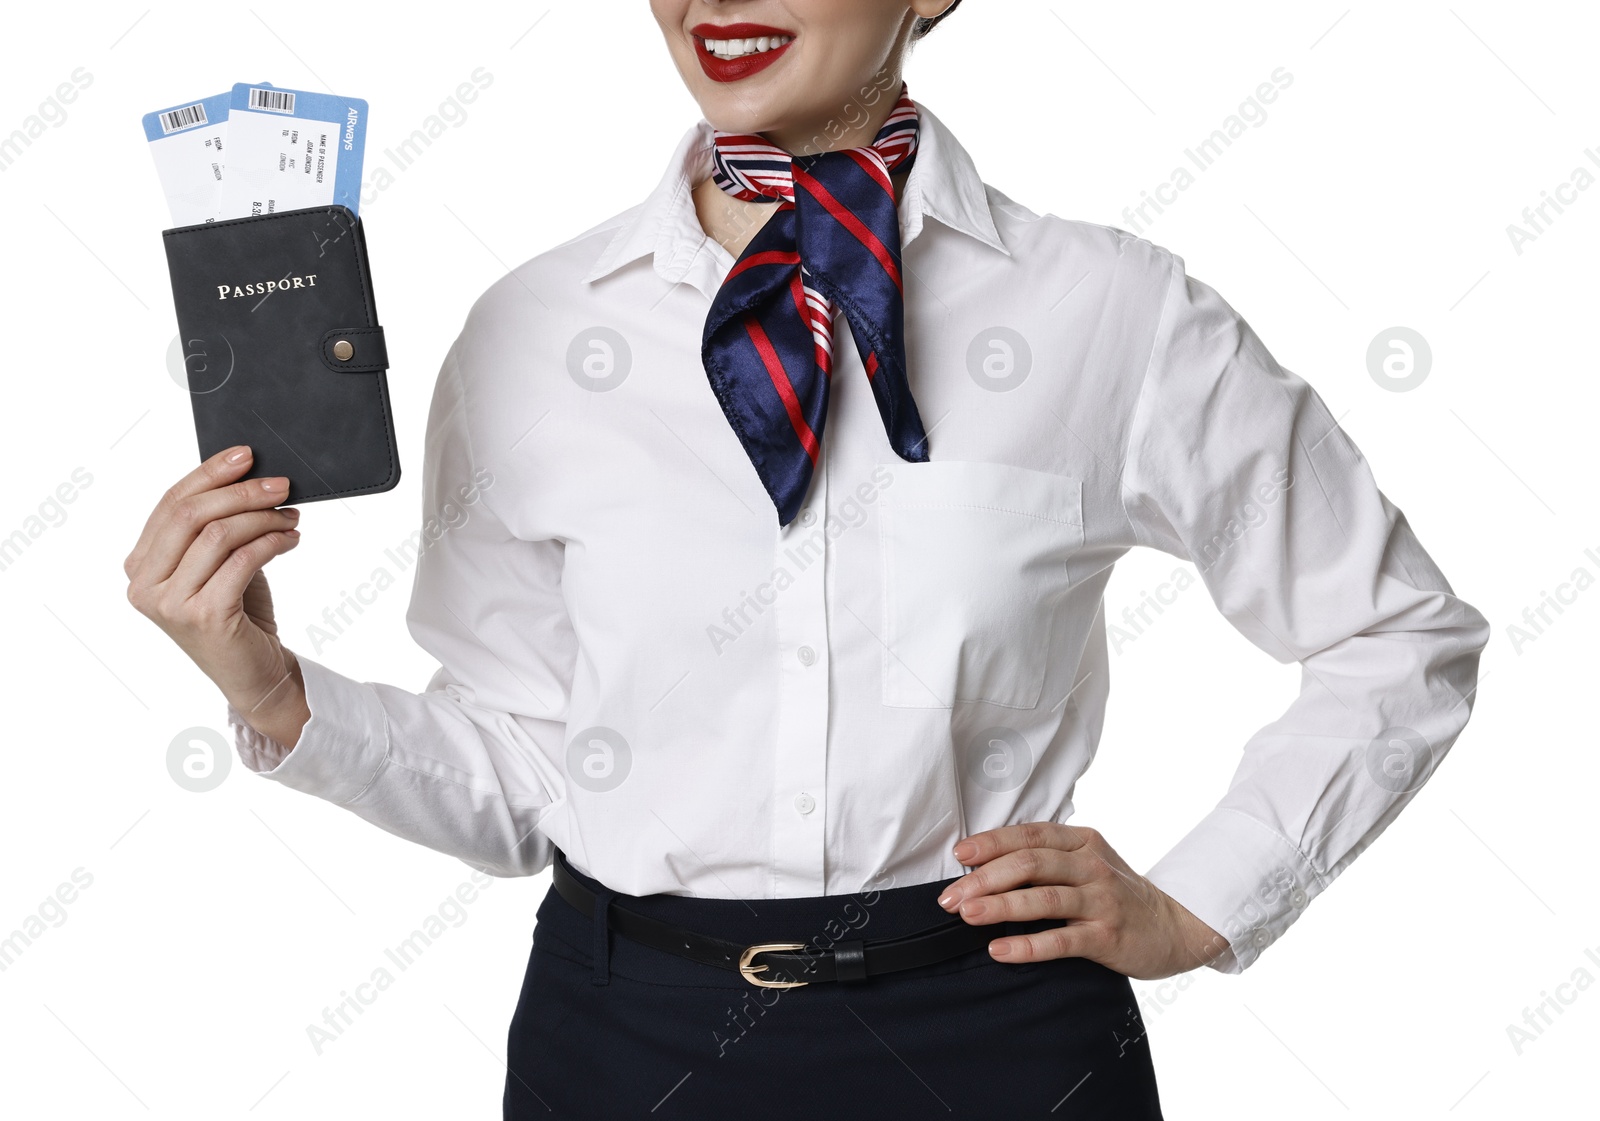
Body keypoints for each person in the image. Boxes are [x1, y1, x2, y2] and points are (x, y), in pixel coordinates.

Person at [124, 2, 1491, 1116]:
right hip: (623, 1046)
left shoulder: (1112, 316)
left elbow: (1396, 632)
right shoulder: (530, 335)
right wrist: (275, 694)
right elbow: (529, 778)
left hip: (999, 1037)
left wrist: (1205, 898)